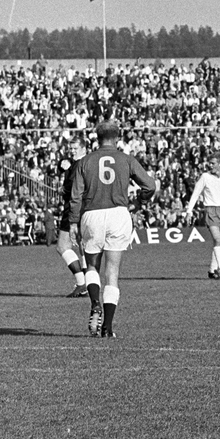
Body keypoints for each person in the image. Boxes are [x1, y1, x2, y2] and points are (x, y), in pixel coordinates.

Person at [67, 121, 156, 338]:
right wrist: (138, 202)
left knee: (92, 267)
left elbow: (75, 196)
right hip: (118, 213)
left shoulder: (85, 161)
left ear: (96, 138)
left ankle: (95, 302)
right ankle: (107, 326)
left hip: (92, 214)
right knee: (112, 272)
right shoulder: (126, 159)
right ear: (117, 138)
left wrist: (72, 223)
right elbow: (150, 186)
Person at [55, 138, 88, 297]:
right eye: (71, 148)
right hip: (84, 209)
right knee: (84, 248)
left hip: (72, 209)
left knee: (62, 246)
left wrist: (63, 190)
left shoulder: (78, 165)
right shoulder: (86, 162)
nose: (72, 150)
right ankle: (89, 284)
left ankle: (81, 283)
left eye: (75, 148)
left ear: (82, 148)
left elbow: (72, 188)